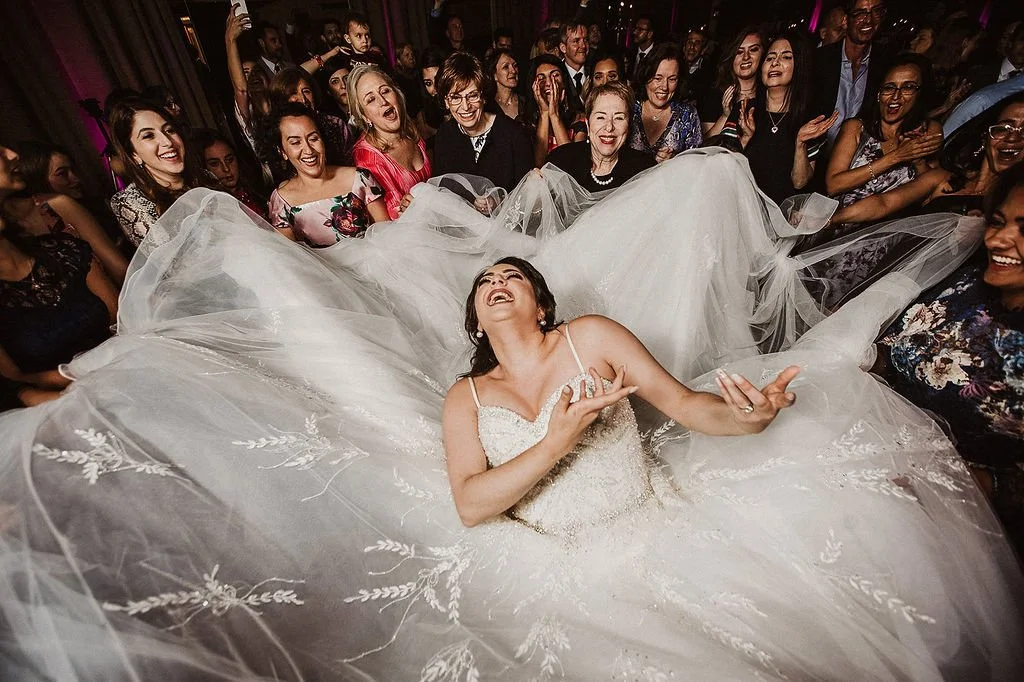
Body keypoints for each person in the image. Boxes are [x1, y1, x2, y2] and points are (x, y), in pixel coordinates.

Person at [1, 147, 1022, 679]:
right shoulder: (466, 394)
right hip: (545, 564)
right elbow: (474, 501)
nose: (494, 288)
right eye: (481, 285)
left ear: (539, 300)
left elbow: (688, 409)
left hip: (659, 529)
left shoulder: (597, 339)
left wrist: (745, 419)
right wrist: (564, 435)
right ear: (478, 319)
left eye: (510, 278)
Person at [877, 163, 1024, 550]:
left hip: (953, 517)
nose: (1000, 240)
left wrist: (958, 482)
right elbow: (893, 347)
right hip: (871, 438)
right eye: (998, 221)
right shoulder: (967, 284)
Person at [0, 144, 118, 410]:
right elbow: (14, 385)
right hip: (70, 410)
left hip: (128, 371)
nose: (12, 153)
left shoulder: (65, 251)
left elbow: (122, 319)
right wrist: (93, 390)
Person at [831, 94, 1024, 223]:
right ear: (986, 136)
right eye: (1004, 128)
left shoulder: (1014, 206)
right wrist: (831, 220)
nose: (1012, 138)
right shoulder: (944, 178)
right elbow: (883, 203)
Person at [826, 55, 943, 208]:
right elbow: (834, 185)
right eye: (889, 87)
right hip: (841, 222)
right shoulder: (856, 128)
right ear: (878, 94)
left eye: (908, 87)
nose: (896, 96)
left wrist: (918, 162)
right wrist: (896, 156)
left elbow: (930, 198)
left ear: (919, 94)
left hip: (893, 225)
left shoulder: (927, 131)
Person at [265, 104, 387, 246]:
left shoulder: (359, 178)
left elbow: (387, 235)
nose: (308, 150)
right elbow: (291, 261)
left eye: (313, 138)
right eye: (296, 142)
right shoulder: (281, 201)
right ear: (282, 152)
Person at [739, 31, 838, 204]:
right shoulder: (745, 110)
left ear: (799, 65)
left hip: (782, 216)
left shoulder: (809, 119)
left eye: (786, 57)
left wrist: (800, 143)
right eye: (769, 58)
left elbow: (799, 182)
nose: (775, 63)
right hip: (744, 209)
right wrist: (745, 139)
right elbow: (723, 170)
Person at [107, 97, 208, 247]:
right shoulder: (130, 201)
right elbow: (171, 264)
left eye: (169, 130)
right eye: (148, 136)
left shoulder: (205, 177)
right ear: (133, 154)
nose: (168, 142)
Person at [432, 53, 533, 199]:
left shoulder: (513, 135)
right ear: (446, 102)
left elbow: (527, 197)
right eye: (455, 98)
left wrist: (497, 203)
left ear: (483, 97)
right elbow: (441, 193)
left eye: (472, 95)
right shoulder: (445, 135)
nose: (466, 106)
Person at [349, 65, 432, 219]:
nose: (383, 101)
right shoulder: (368, 158)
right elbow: (391, 221)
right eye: (371, 99)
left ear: (397, 95)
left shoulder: (411, 132)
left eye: (385, 91)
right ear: (365, 116)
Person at [547, 81, 655, 192]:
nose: (609, 127)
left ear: (628, 125)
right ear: (588, 124)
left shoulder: (644, 169)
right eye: (600, 117)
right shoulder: (560, 161)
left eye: (619, 118)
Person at [811, 0, 893, 144]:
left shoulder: (885, 64)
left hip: (857, 159)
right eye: (860, 13)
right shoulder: (818, 60)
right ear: (845, 20)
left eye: (876, 11)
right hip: (816, 156)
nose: (868, 20)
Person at [630, 43, 703, 163]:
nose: (664, 87)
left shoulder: (687, 115)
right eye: (658, 78)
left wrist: (674, 161)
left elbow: (695, 165)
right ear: (645, 76)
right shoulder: (629, 109)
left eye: (672, 79)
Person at [268, 67, 355, 168]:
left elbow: (351, 162)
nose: (303, 99)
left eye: (306, 91)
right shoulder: (276, 132)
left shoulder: (335, 124)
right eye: (293, 93)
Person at [702, 27, 765, 137]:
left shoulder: (768, 95)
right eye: (739, 52)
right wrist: (725, 116)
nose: (746, 57)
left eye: (753, 50)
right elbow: (706, 145)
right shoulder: (714, 95)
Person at [193, 129, 267, 219]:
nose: (226, 168)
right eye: (215, 164)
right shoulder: (211, 211)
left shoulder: (255, 191)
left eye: (230, 160)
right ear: (204, 168)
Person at [525, 55, 585, 166]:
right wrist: (544, 113)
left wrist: (554, 115)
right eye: (541, 78)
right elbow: (539, 165)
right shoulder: (525, 122)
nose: (549, 83)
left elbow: (571, 164)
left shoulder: (579, 119)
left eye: (555, 75)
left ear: (565, 81)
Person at [484, 48, 523, 122]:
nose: (513, 71)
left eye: (515, 66)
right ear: (494, 75)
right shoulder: (487, 107)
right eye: (506, 67)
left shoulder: (526, 103)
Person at [560, 21, 590, 108]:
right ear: (563, 48)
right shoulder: (557, 75)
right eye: (576, 41)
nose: (583, 45)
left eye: (585, 40)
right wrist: (581, 98)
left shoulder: (595, 71)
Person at [626, 15, 655, 84]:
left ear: (650, 34)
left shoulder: (658, 55)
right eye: (635, 28)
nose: (635, 32)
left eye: (640, 29)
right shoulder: (629, 53)